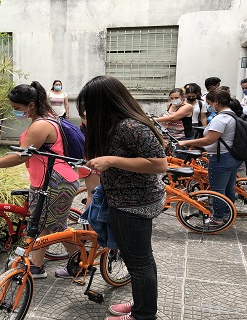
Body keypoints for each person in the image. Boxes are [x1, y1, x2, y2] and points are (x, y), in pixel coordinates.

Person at [0, 81, 79, 279]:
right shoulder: (44, 119)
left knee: (53, 226)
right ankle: (46, 265)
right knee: (45, 225)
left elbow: (21, 157)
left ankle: (76, 262)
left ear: (30, 105)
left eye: (17, 108)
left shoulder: (41, 125)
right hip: (45, 181)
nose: (15, 112)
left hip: (56, 182)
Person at [78, 75, 167, 320]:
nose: (86, 111)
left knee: (139, 262)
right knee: (141, 259)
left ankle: (143, 314)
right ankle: (143, 304)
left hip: (135, 204)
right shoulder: (116, 125)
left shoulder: (131, 126)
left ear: (105, 102)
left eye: (89, 105)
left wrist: (112, 161)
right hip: (126, 200)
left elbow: (160, 164)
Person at [178, 90, 242, 226]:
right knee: (228, 188)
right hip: (231, 156)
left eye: (209, 103)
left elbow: (208, 140)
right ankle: (226, 214)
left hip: (222, 158)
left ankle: (217, 218)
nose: (209, 106)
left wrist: (186, 142)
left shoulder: (221, 118)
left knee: (217, 190)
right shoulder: (232, 115)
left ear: (216, 102)